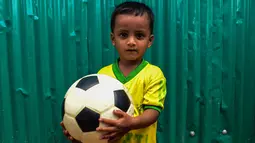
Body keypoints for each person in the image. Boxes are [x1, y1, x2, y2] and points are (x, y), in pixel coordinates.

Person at [61, 1, 167, 143]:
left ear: (150, 40)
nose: (131, 42)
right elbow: (96, 118)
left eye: (139, 35)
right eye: (123, 35)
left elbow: (153, 112)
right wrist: (79, 133)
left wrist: (131, 123)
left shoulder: (154, 74)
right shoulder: (103, 75)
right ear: (113, 39)